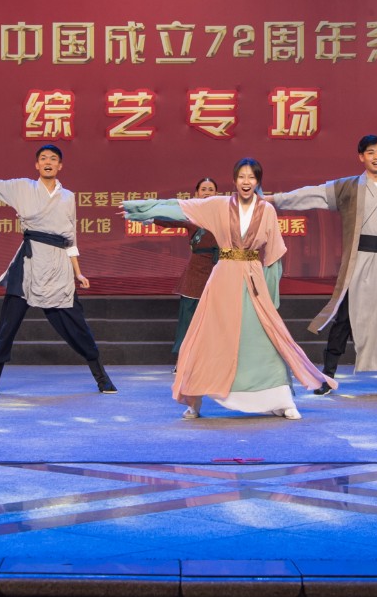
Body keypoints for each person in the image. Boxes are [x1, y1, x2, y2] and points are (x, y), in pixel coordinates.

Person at [123, 158, 334, 420]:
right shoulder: (219, 205)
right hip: (223, 278)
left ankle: (281, 399)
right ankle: (194, 400)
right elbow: (181, 208)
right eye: (242, 177)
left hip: (253, 280)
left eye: (251, 177)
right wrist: (141, 209)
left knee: (264, 337)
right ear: (234, 180)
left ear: (258, 181)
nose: (246, 182)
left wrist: (270, 295)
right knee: (209, 337)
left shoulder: (266, 210)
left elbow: (274, 255)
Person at [0, 144, 117, 395]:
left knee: (76, 324)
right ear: (37, 165)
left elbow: (71, 238)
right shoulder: (22, 187)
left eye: (53, 159)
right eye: (43, 158)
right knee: (8, 326)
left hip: (57, 267)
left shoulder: (68, 197)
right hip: (28, 263)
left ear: (60, 166)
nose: (48, 162)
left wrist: (78, 272)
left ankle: (101, 377)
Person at [265, 134, 377, 395]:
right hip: (359, 261)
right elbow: (314, 194)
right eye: (370, 152)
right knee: (344, 319)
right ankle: (327, 377)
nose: (376, 157)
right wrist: (276, 199)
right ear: (361, 157)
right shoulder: (348, 187)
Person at [151, 177, 220, 368]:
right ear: (196, 193)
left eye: (211, 189)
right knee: (188, 320)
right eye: (204, 189)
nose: (207, 193)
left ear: (217, 194)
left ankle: (215, 361)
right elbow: (169, 220)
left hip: (219, 270)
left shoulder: (223, 213)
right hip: (195, 273)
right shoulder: (191, 214)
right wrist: (145, 215)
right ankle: (183, 361)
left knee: (216, 319)